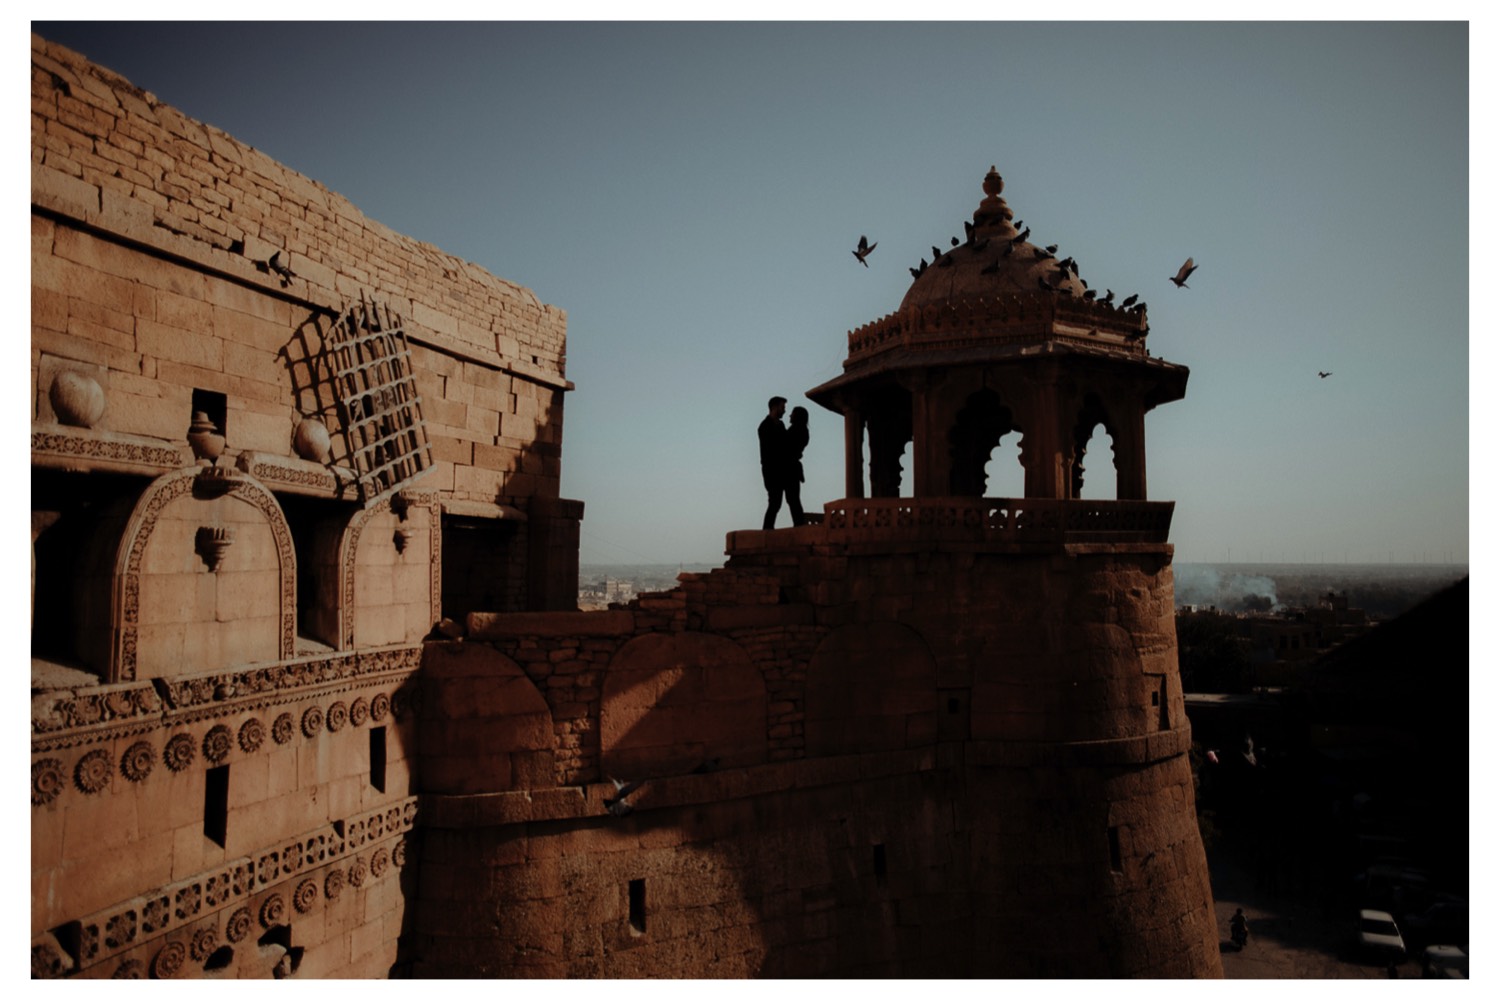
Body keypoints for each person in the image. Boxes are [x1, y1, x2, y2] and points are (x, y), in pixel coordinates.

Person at [758, 396, 789, 529]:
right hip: (771, 470)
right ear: (775, 407)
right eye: (782, 407)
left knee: (776, 502)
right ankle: (767, 531)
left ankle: (768, 530)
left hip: (780, 470)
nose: (784, 411)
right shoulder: (764, 427)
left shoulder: (780, 425)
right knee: (775, 502)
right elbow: (771, 449)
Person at [785, 406, 810, 526]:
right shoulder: (802, 431)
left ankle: (799, 524)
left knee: (793, 499)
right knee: (793, 498)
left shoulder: (796, 430)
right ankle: (798, 523)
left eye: (792, 414)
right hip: (793, 467)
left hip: (790, 468)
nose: (789, 416)